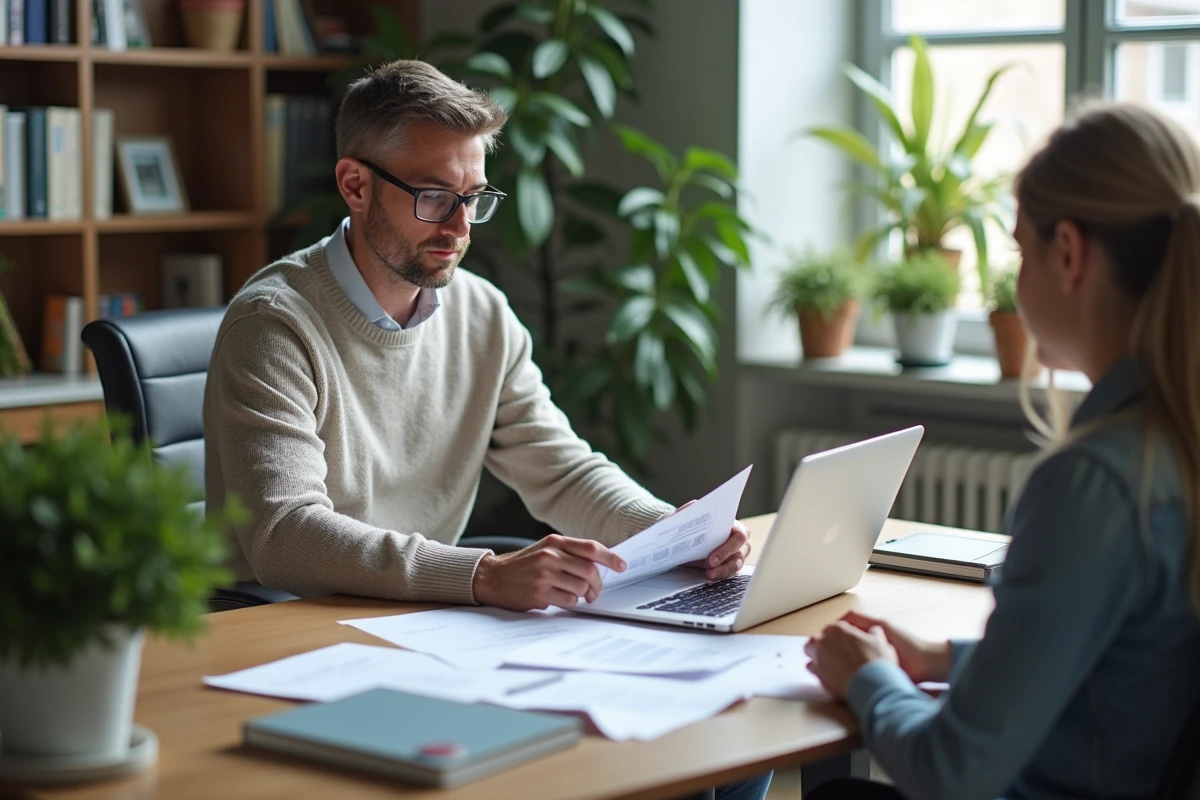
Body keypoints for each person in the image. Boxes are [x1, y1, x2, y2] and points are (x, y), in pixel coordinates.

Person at [204, 59, 752, 612]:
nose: (460, 227)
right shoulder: (273, 324)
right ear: (356, 186)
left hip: (420, 613)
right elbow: (284, 534)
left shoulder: (482, 313)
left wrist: (672, 533)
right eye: (434, 196)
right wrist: (482, 575)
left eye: (472, 198)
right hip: (282, 617)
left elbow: (561, 473)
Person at [803, 101, 1200, 799]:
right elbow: (1115, 668)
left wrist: (869, 678)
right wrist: (943, 658)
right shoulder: (1176, 445)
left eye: (1019, 252)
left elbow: (952, 772)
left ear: (1068, 253)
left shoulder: (1094, 481)